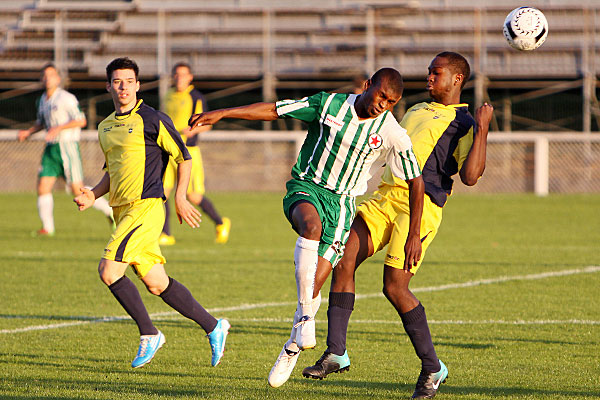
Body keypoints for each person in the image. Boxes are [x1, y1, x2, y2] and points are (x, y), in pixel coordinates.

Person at [188, 67, 425, 388]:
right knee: (310, 227)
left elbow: (415, 180)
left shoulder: (393, 133)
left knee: (315, 282)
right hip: (307, 188)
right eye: (381, 95)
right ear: (368, 86)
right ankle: (305, 320)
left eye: (391, 101)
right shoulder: (328, 105)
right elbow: (275, 109)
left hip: (342, 206)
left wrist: (413, 233)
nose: (383, 104)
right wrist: (224, 113)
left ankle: (293, 344)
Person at [301, 52, 494, 399]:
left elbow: (470, 176)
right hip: (385, 198)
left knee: (394, 287)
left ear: (457, 80)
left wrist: (482, 130)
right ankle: (336, 352)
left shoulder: (464, 122)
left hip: (421, 209)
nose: (429, 77)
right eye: (429, 72)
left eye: (437, 73)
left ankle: (433, 368)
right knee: (344, 258)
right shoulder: (417, 109)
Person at [73, 57, 230, 369]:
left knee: (109, 271)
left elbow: (183, 157)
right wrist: (93, 193)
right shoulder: (105, 127)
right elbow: (111, 173)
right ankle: (214, 326)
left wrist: (181, 197)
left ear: (138, 85)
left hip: (146, 207)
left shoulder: (153, 119)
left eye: (129, 81)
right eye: (117, 81)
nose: (123, 87)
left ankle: (149, 333)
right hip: (122, 211)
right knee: (157, 283)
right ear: (108, 86)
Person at [18, 63, 113, 236]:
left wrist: (59, 128)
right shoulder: (41, 100)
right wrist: (29, 132)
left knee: (77, 189)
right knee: (42, 186)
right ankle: (48, 228)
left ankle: (109, 211)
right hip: (51, 148)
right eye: (44, 76)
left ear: (58, 78)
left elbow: (80, 120)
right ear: (41, 79)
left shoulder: (66, 98)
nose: (47, 79)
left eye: (51, 75)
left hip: (67, 147)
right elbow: (41, 123)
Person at [159, 62, 230, 246]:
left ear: (190, 77)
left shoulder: (195, 97)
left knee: (193, 197)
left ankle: (221, 223)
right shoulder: (168, 95)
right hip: (168, 151)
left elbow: (208, 123)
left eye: (183, 74)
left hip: (188, 152)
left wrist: (193, 131)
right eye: (176, 74)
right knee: (162, 193)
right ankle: (166, 234)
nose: (179, 78)